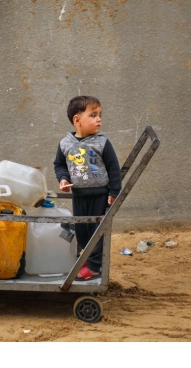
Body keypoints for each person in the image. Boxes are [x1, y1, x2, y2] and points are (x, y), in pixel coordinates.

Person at [53, 95, 122, 281]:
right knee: (82, 231)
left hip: (99, 195)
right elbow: (59, 165)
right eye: (93, 115)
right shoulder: (65, 144)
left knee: (96, 232)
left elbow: (114, 169)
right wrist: (63, 179)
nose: (99, 119)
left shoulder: (102, 143)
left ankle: (93, 266)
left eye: (100, 115)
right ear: (77, 120)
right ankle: (88, 258)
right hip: (79, 196)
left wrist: (114, 192)